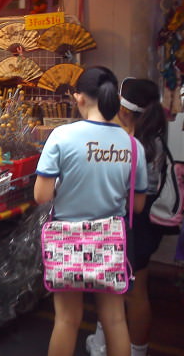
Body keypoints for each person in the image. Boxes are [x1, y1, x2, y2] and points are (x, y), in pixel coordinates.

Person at [34, 67, 148, 356]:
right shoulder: (133, 146)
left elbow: (41, 196)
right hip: (111, 240)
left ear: (79, 98)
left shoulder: (61, 136)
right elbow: (136, 206)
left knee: (67, 320)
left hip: (66, 240)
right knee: (114, 319)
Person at [86, 78, 178, 356]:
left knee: (122, 290)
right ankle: (123, 347)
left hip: (128, 223)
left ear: (123, 109)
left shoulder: (130, 144)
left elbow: (126, 196)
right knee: (132, 289)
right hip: (147, 226)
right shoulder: (155, 140)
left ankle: (115, 347)